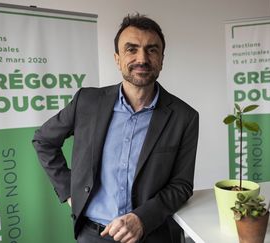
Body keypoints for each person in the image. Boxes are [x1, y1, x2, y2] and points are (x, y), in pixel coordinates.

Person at [33, 13, 199, 243]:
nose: (142, 58)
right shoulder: (87, 102)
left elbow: (181, 186)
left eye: (151, 50)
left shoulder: (185, 116)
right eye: (131, 49)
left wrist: (141, 219)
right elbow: (44, 140)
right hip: (93, 235)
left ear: (161, 58)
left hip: (154, 235)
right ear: (117, 58)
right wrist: (70, 191)